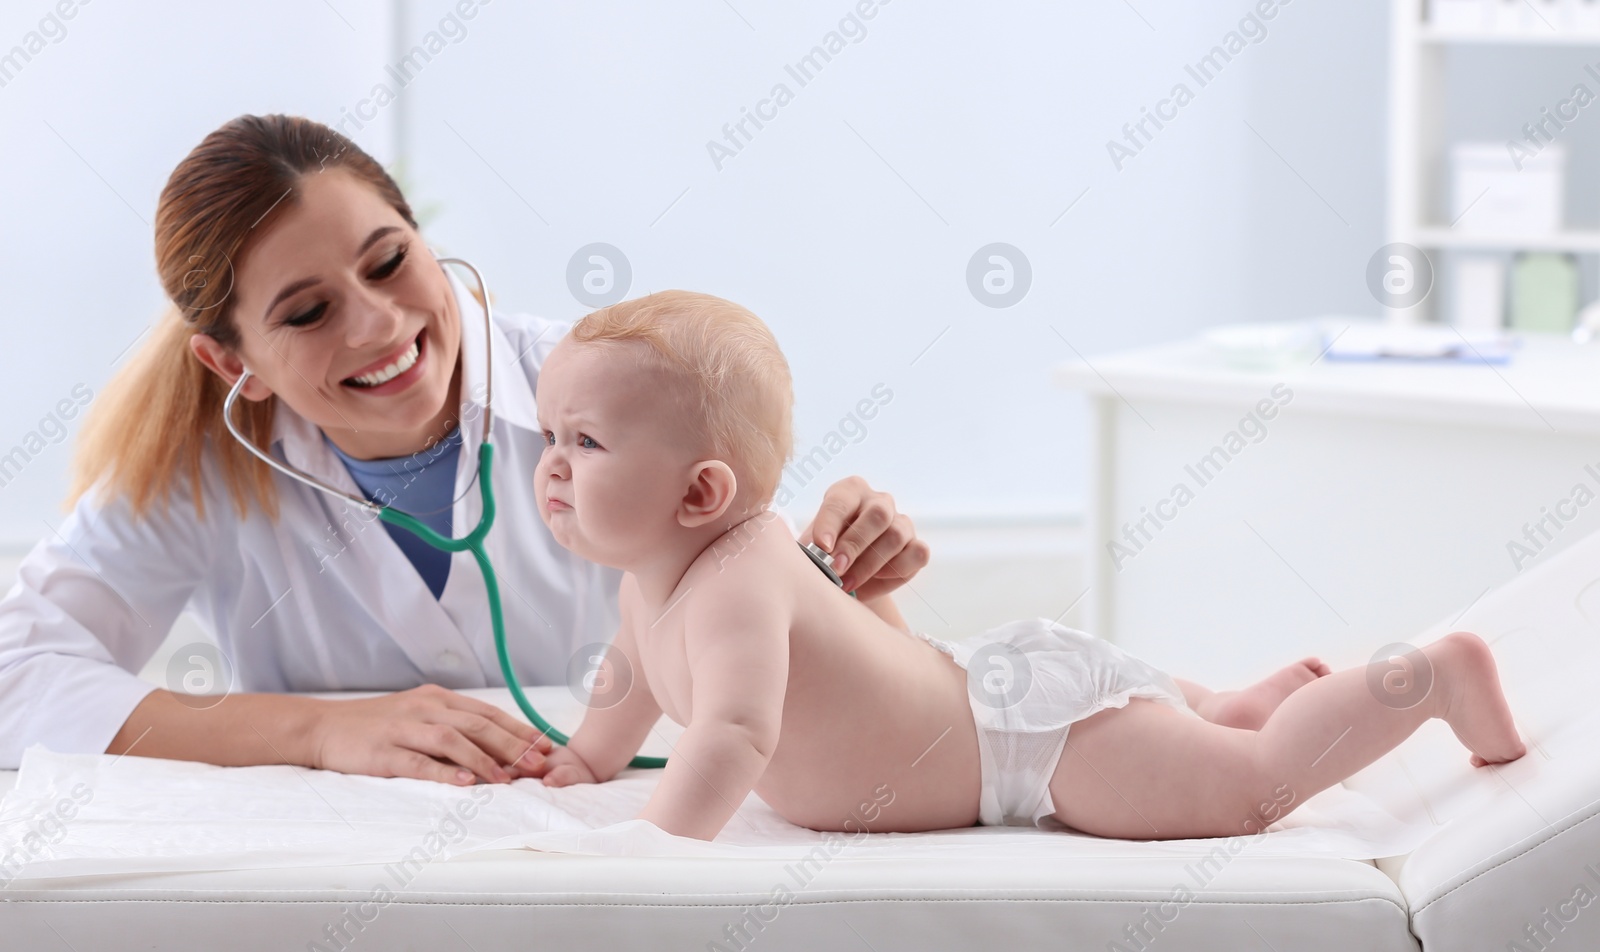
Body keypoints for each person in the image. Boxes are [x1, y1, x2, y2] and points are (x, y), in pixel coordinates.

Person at [0, 115, 933, 785]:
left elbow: (775, 579)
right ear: (231, 361)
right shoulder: (195, 472)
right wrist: (320, 731)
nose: (379, 324)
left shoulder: (617, 385)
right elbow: (16, 679)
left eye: (389, 260)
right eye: (308, 311)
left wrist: (852, 564)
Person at [523, 290, 1527, 842]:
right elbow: (634, 681)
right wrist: (591, 758)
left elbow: (735, 732)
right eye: (546, 433)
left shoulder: (742, 574)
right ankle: (1226, 703)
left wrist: (653, 852)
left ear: (700, 494)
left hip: (1030, 745)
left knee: (1248, 794)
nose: (550, 463)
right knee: (1198, 736)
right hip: (997, 692)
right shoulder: (652, 581)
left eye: (584, 441)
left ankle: (1423, 680)